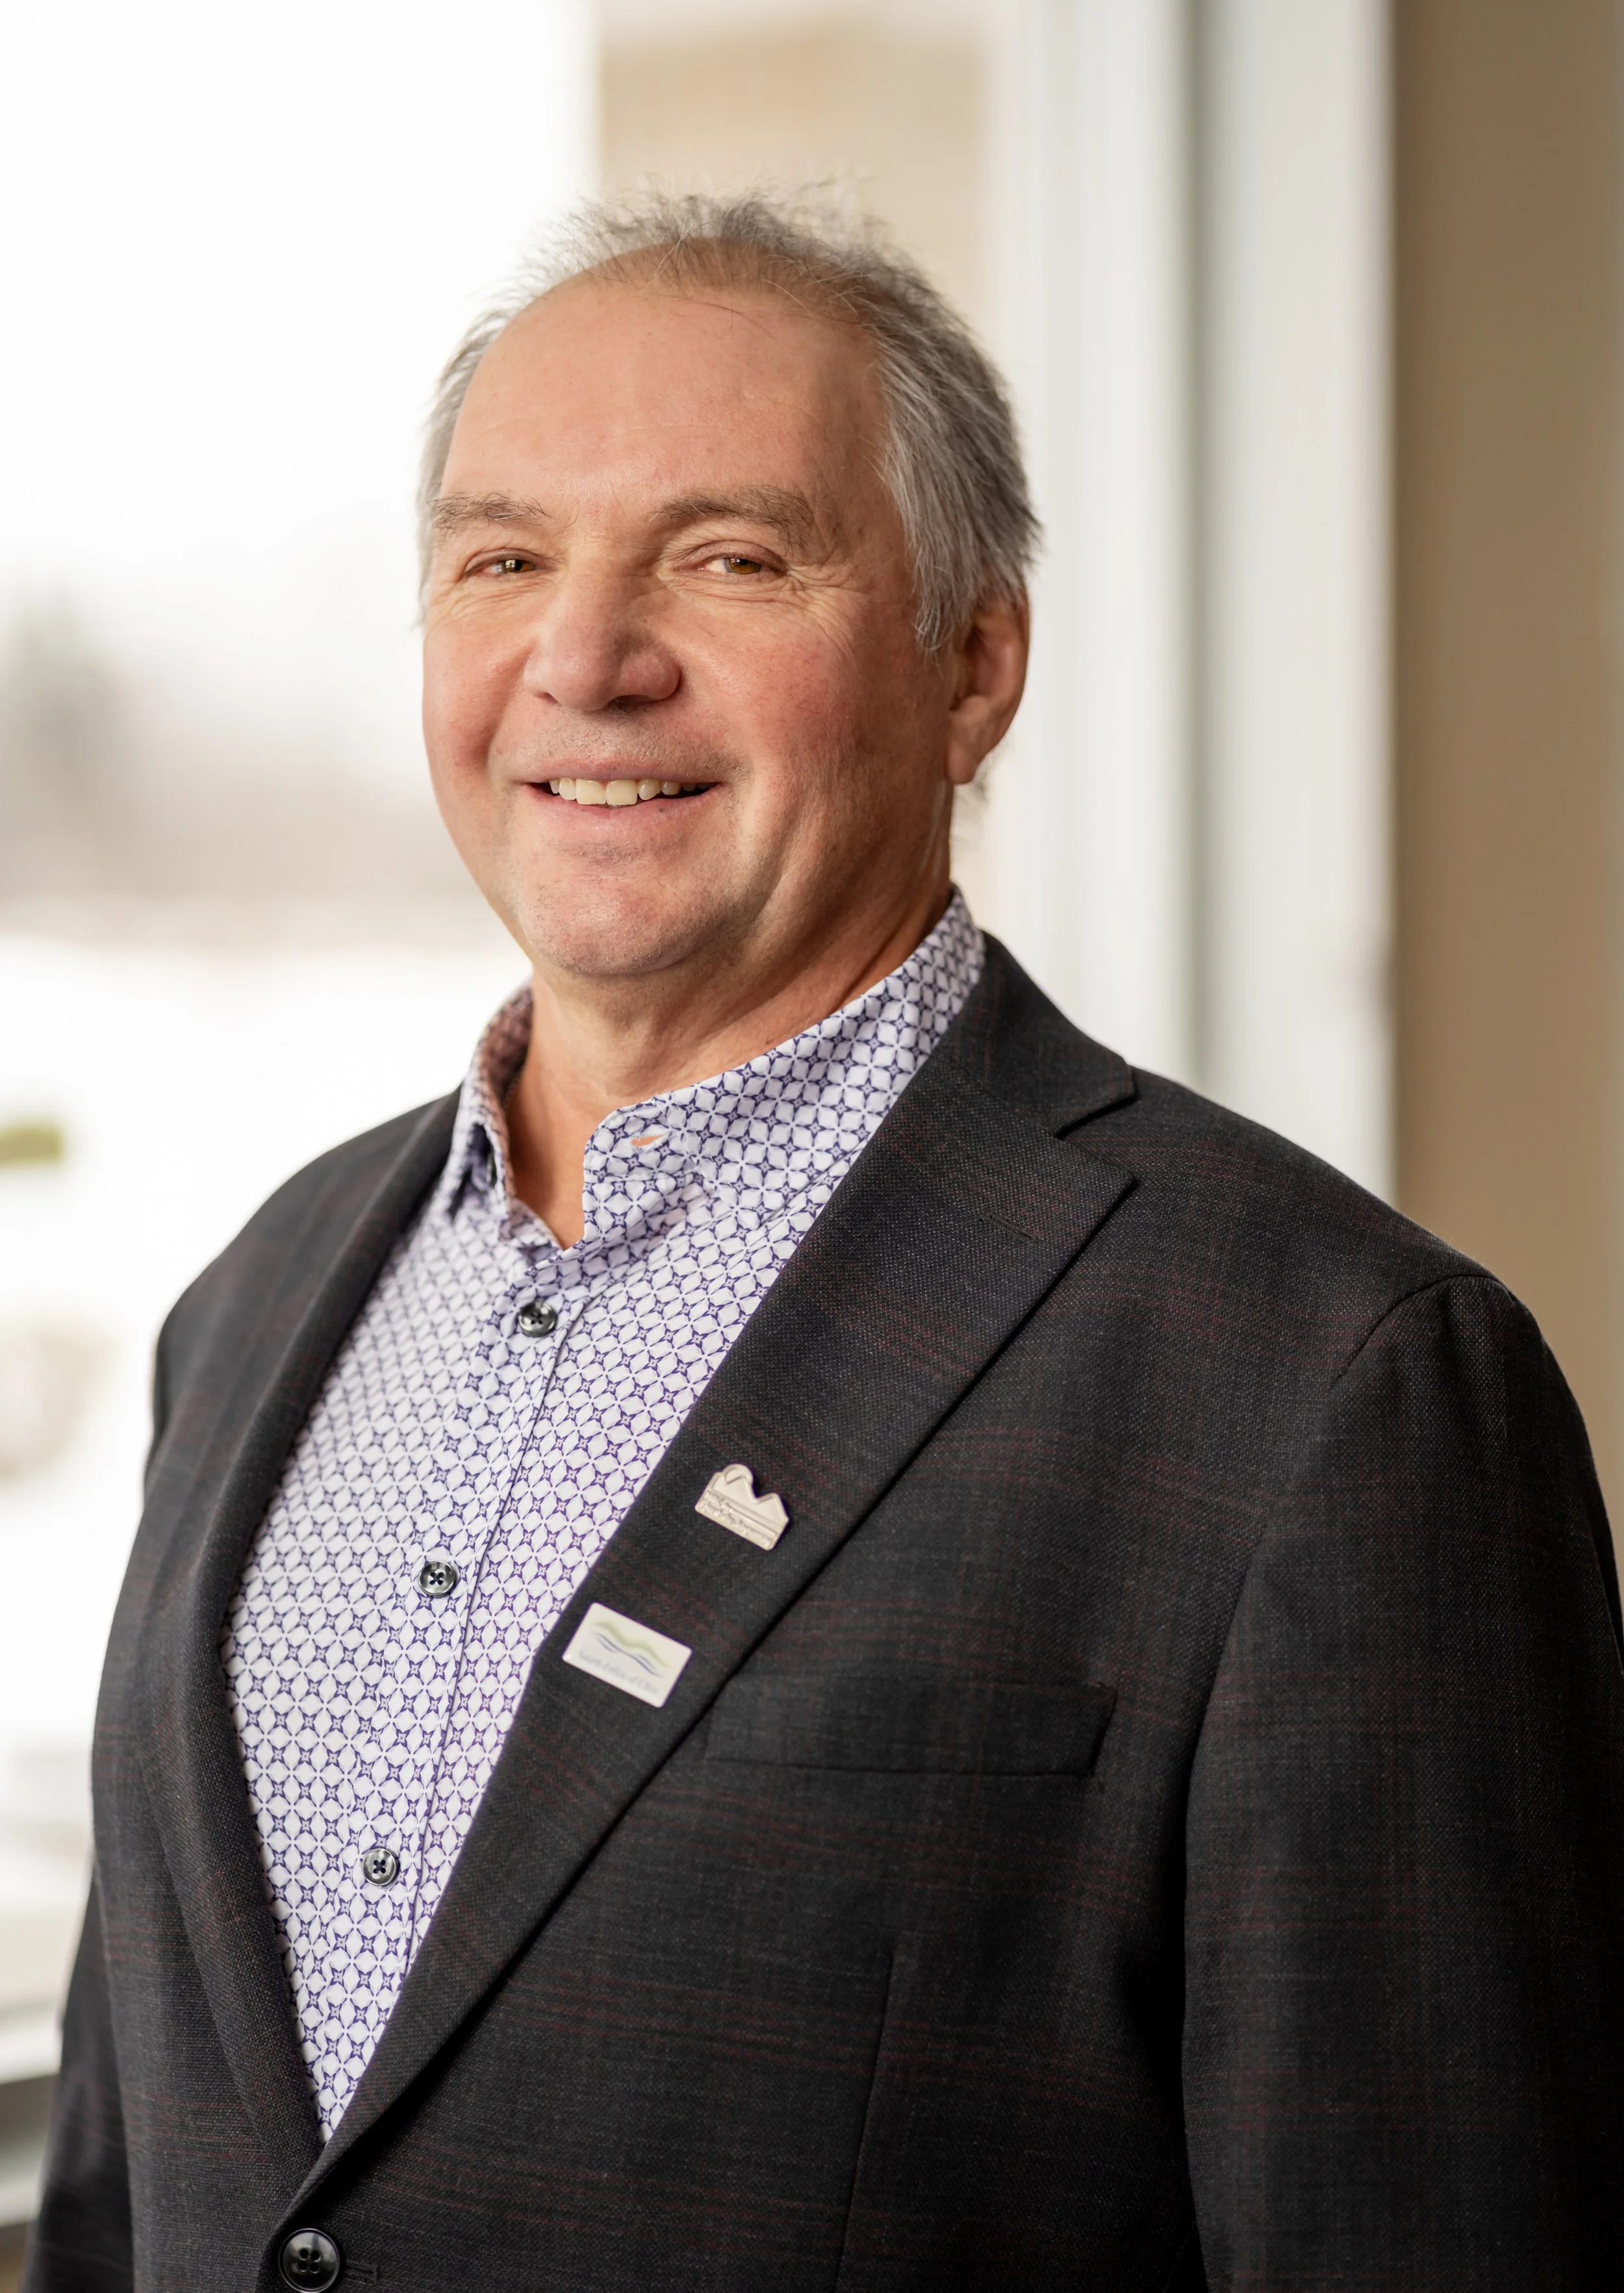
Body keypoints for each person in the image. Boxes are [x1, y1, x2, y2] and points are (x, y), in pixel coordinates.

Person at [25, 194, 1624, 2293]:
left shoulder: (1331, 1383)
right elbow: (136, 2194)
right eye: (503, 558)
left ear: (975, 665)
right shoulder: (252, 1301)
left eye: (727, 555)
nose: (584, 657)